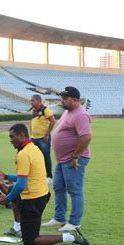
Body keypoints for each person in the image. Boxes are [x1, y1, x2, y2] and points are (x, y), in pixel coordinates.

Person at [0, 123, 90, 245]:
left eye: (12, 137)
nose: (10, 140)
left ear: (21, 135)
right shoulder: (33, 148)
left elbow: (21, 184)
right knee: (12, 188)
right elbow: (27, 177)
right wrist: (6, 177)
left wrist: (7, 199)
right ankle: (17, 228)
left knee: (30, 240)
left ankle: (70, 237)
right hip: (42, 194)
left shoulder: (23, 154)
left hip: (33, 200)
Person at [42, 87, 92, 232]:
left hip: (74, 159)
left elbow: (86, 137)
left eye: (65, 98)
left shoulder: (81, 115)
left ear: (75, 100)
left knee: (75, 191)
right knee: (59, 187)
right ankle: (59, 218)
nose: (62, 100)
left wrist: (75, 156)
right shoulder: (67, 112)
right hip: (63, 159)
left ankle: (75, 222)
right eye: (62, 97)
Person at [30, 95, 55, 183]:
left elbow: (53, 121)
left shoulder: (45, 110)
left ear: (38, 101)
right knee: (35, 157)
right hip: (34, 138)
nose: (31, 102)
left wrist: (47, 134)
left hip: (43, 138)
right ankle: (39, 175)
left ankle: (49, 177)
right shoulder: (34, 111)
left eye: (32, 100)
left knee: (46, 157)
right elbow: (33, 122)